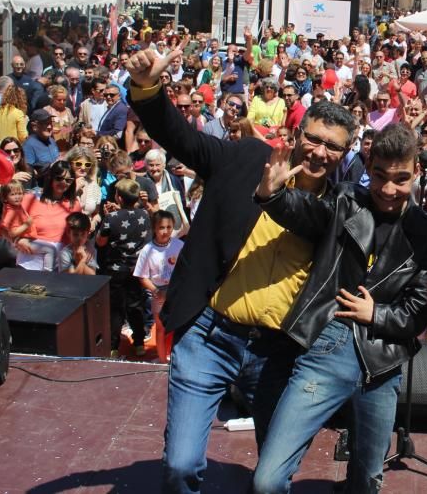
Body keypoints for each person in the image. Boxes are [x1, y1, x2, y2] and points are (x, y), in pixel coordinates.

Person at [124, 46, 356, 492]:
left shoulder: (339, 207)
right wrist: (148, 89)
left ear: (344, 154)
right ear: (296, 131)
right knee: (180, 466)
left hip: (279, 353)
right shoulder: (247, 158)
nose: (320, 151)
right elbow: (180, 137)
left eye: (333, 146)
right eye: (314, 138)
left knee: (271, 481)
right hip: (210, 336)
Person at [251, 124, 427, 494]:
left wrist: (377, 315)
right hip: (327, 348)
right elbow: (305, 213)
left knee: (366, 482)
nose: (389, 189)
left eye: (401, 179)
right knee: (266, 480)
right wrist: (272, 195)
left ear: (417, 173)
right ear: (367, 167)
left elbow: (419, 313)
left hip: (383, 364)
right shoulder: (345, 200)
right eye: (380, 176)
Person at [97, 178, 152, 358]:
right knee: (136, 306)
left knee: (116, 309)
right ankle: (139, 344)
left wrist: (108, 218)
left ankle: (113, 347)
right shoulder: (144, 214)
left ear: (119, 198)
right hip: (137, 270)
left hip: (116, 270)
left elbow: (101, 241)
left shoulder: (111, 217)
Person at [134, 210, 184, 363]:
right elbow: (141, 276)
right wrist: (156, 290)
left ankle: (178, 360)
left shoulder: (179, 245)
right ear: (154, 229)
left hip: (177, 293)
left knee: (179, 327)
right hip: (159, 294)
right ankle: (162, 361)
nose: (165, 231)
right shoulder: (147, 250)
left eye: (169, 227)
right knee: (161, 328)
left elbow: (186, 269)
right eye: (161, 227)